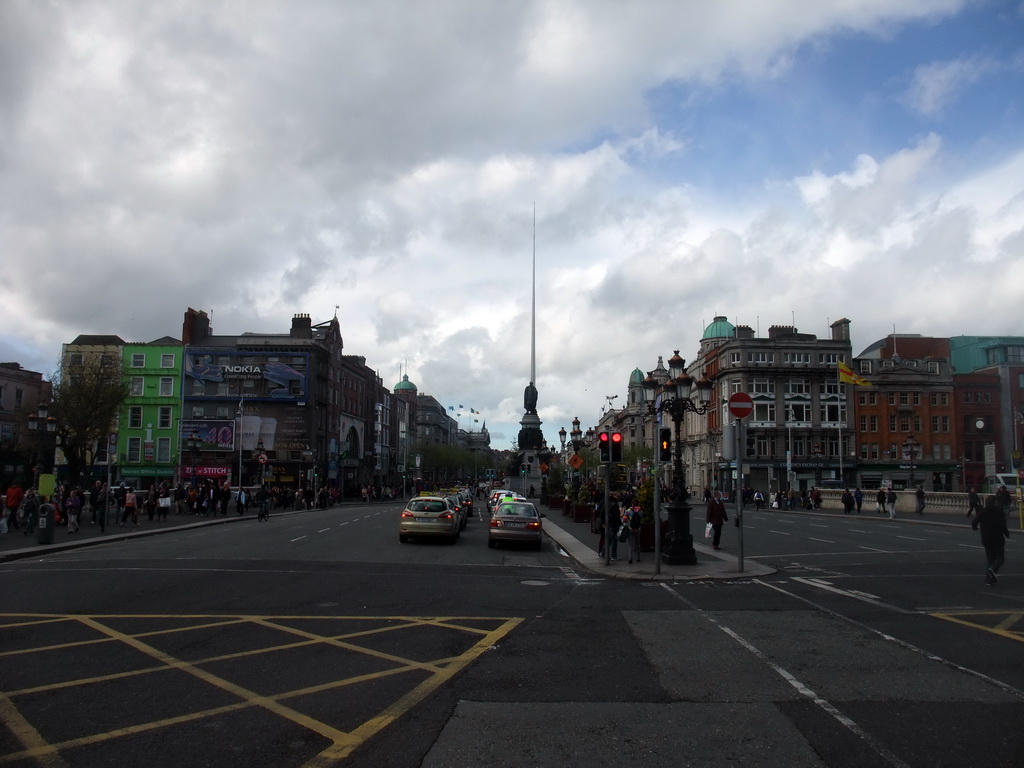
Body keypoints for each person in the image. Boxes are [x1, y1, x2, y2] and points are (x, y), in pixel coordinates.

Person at [972, 495, 1009, 585]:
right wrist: (1006, 534)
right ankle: (992, 569)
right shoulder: (999, 512)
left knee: (990, 558)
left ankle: (989, 579)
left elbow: (974, 522)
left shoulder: (983, 511)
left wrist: (975, 528)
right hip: (997, 538)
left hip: (986, 538)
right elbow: (1002, 525)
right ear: (995, 502)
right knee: (1000, 559)